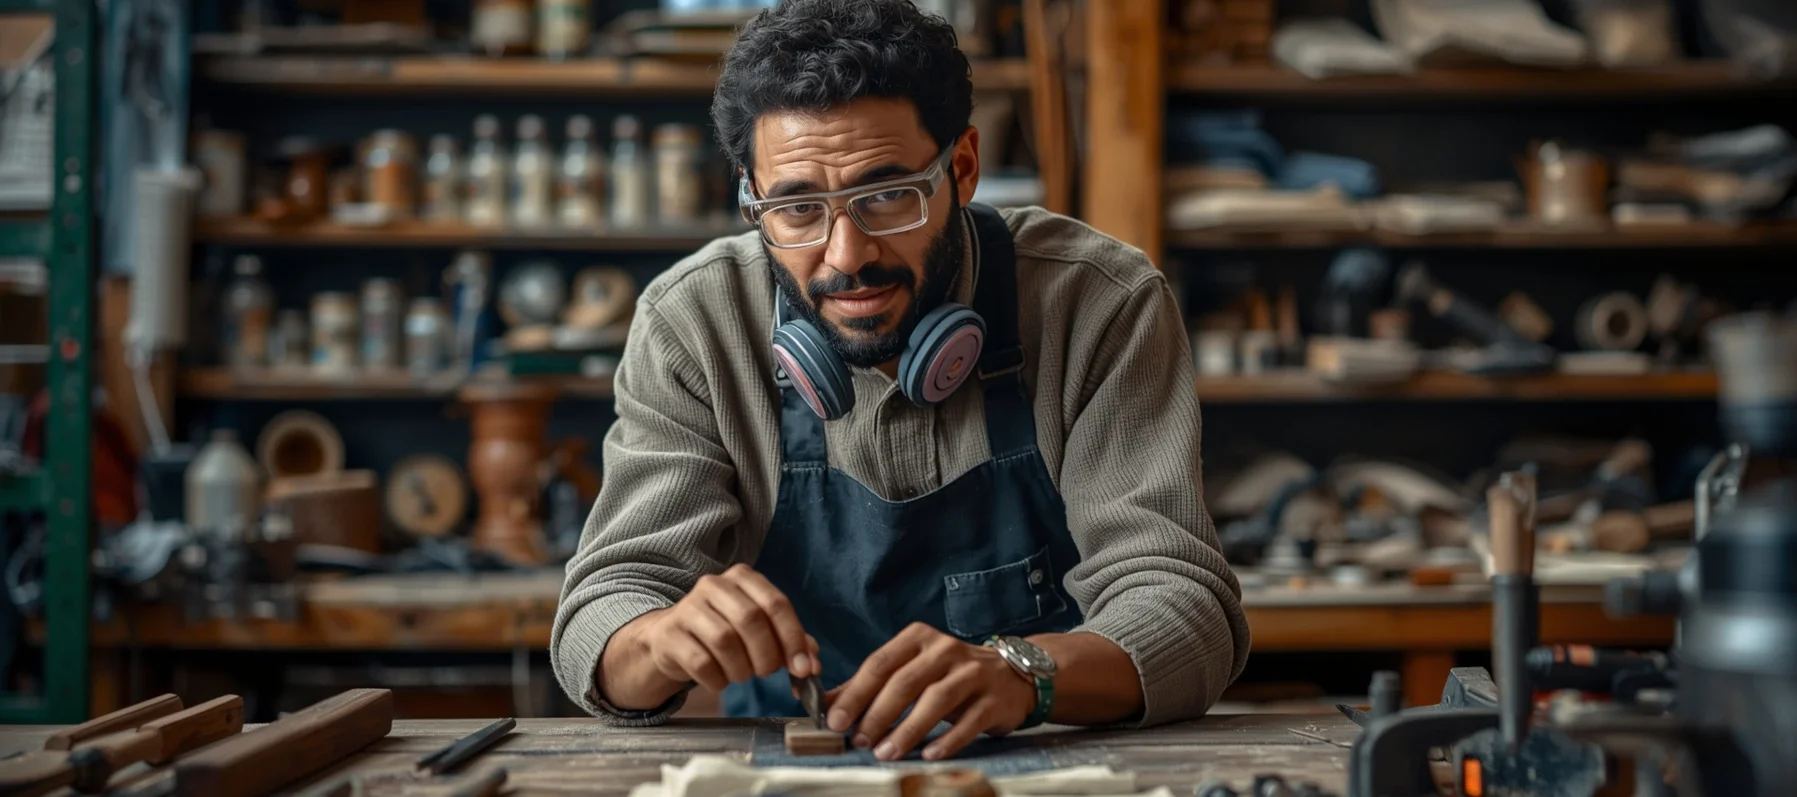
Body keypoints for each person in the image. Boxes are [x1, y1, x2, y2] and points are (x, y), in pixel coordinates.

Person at [551, 0, 1249, 762]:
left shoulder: (1097, 302)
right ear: (752, 202)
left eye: (887, 194)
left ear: (962, 167)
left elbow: (1187, 610)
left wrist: (1025, 672)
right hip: (787, 768)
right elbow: (599, 616)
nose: (846, 254)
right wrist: (658, 638)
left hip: (1044, 759)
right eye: (796, 207)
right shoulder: (695, 322)